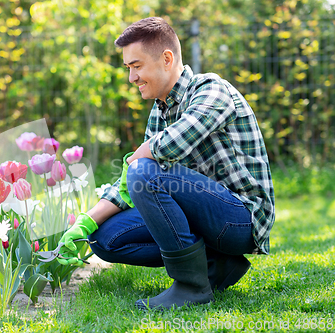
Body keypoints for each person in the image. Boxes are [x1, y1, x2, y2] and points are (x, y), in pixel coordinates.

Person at [58, 17, 275, 310]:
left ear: (167, 59)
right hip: (201, 212)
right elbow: (129, 182)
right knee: (105, 239)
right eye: (128, 69)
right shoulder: (159, 112)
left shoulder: (211, 89)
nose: (131, 78)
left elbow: (178, 140)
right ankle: (216, 265)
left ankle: (192, 286)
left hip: (239, 219)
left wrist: (142, 153)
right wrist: (85, 223)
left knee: (144, 171)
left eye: (136, 66)